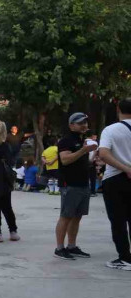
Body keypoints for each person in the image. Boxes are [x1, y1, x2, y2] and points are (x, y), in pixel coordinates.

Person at [53, 112, 98, 260]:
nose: (84, 125)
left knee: (77, 217)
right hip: (70, 184)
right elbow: (65, 160)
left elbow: (81, 162)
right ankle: (59, 248)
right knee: (66, 216)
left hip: (83, 184)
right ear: (71, 125)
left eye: (85, 122)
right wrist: (84, 150)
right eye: (80, 123)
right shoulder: (66, 141)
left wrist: (93, 156)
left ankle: (71, 246)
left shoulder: (83, 140)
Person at [96, 97, 131, 270]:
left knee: (118, 220)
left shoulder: (110, 130)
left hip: (115, 178)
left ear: (118, 109)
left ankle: (125, 257)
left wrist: (125, 168)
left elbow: (103, 154)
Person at [84, 131, 99, 197]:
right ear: (92, 136)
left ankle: (85, 191)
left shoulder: (83, 142)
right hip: (92, 161)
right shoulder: (94, 142)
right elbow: (95, 152)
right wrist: (92, 159)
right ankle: (92, 192)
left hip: (84, 161)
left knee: (85, 176)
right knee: (92, 177)